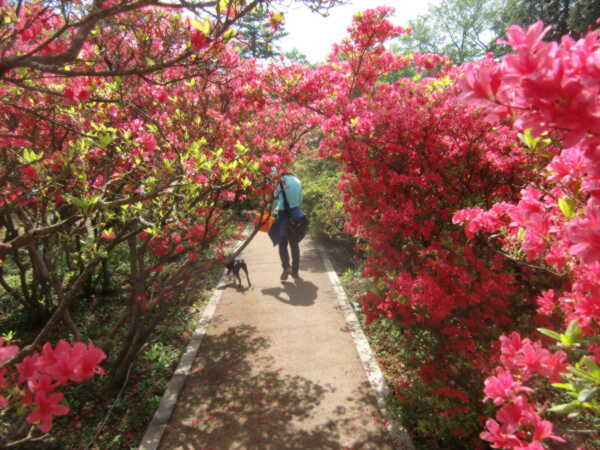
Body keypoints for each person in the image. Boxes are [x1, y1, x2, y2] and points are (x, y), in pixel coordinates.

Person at [272, 172, 303, 281]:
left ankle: (286, 267)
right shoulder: (297, 181)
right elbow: (300, 200)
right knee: (294, 244)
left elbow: (275, 202)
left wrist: (273, 214)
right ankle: (295, 271)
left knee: (282, 244)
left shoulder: (278, 182)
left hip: (282, 215)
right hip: (295, 214)